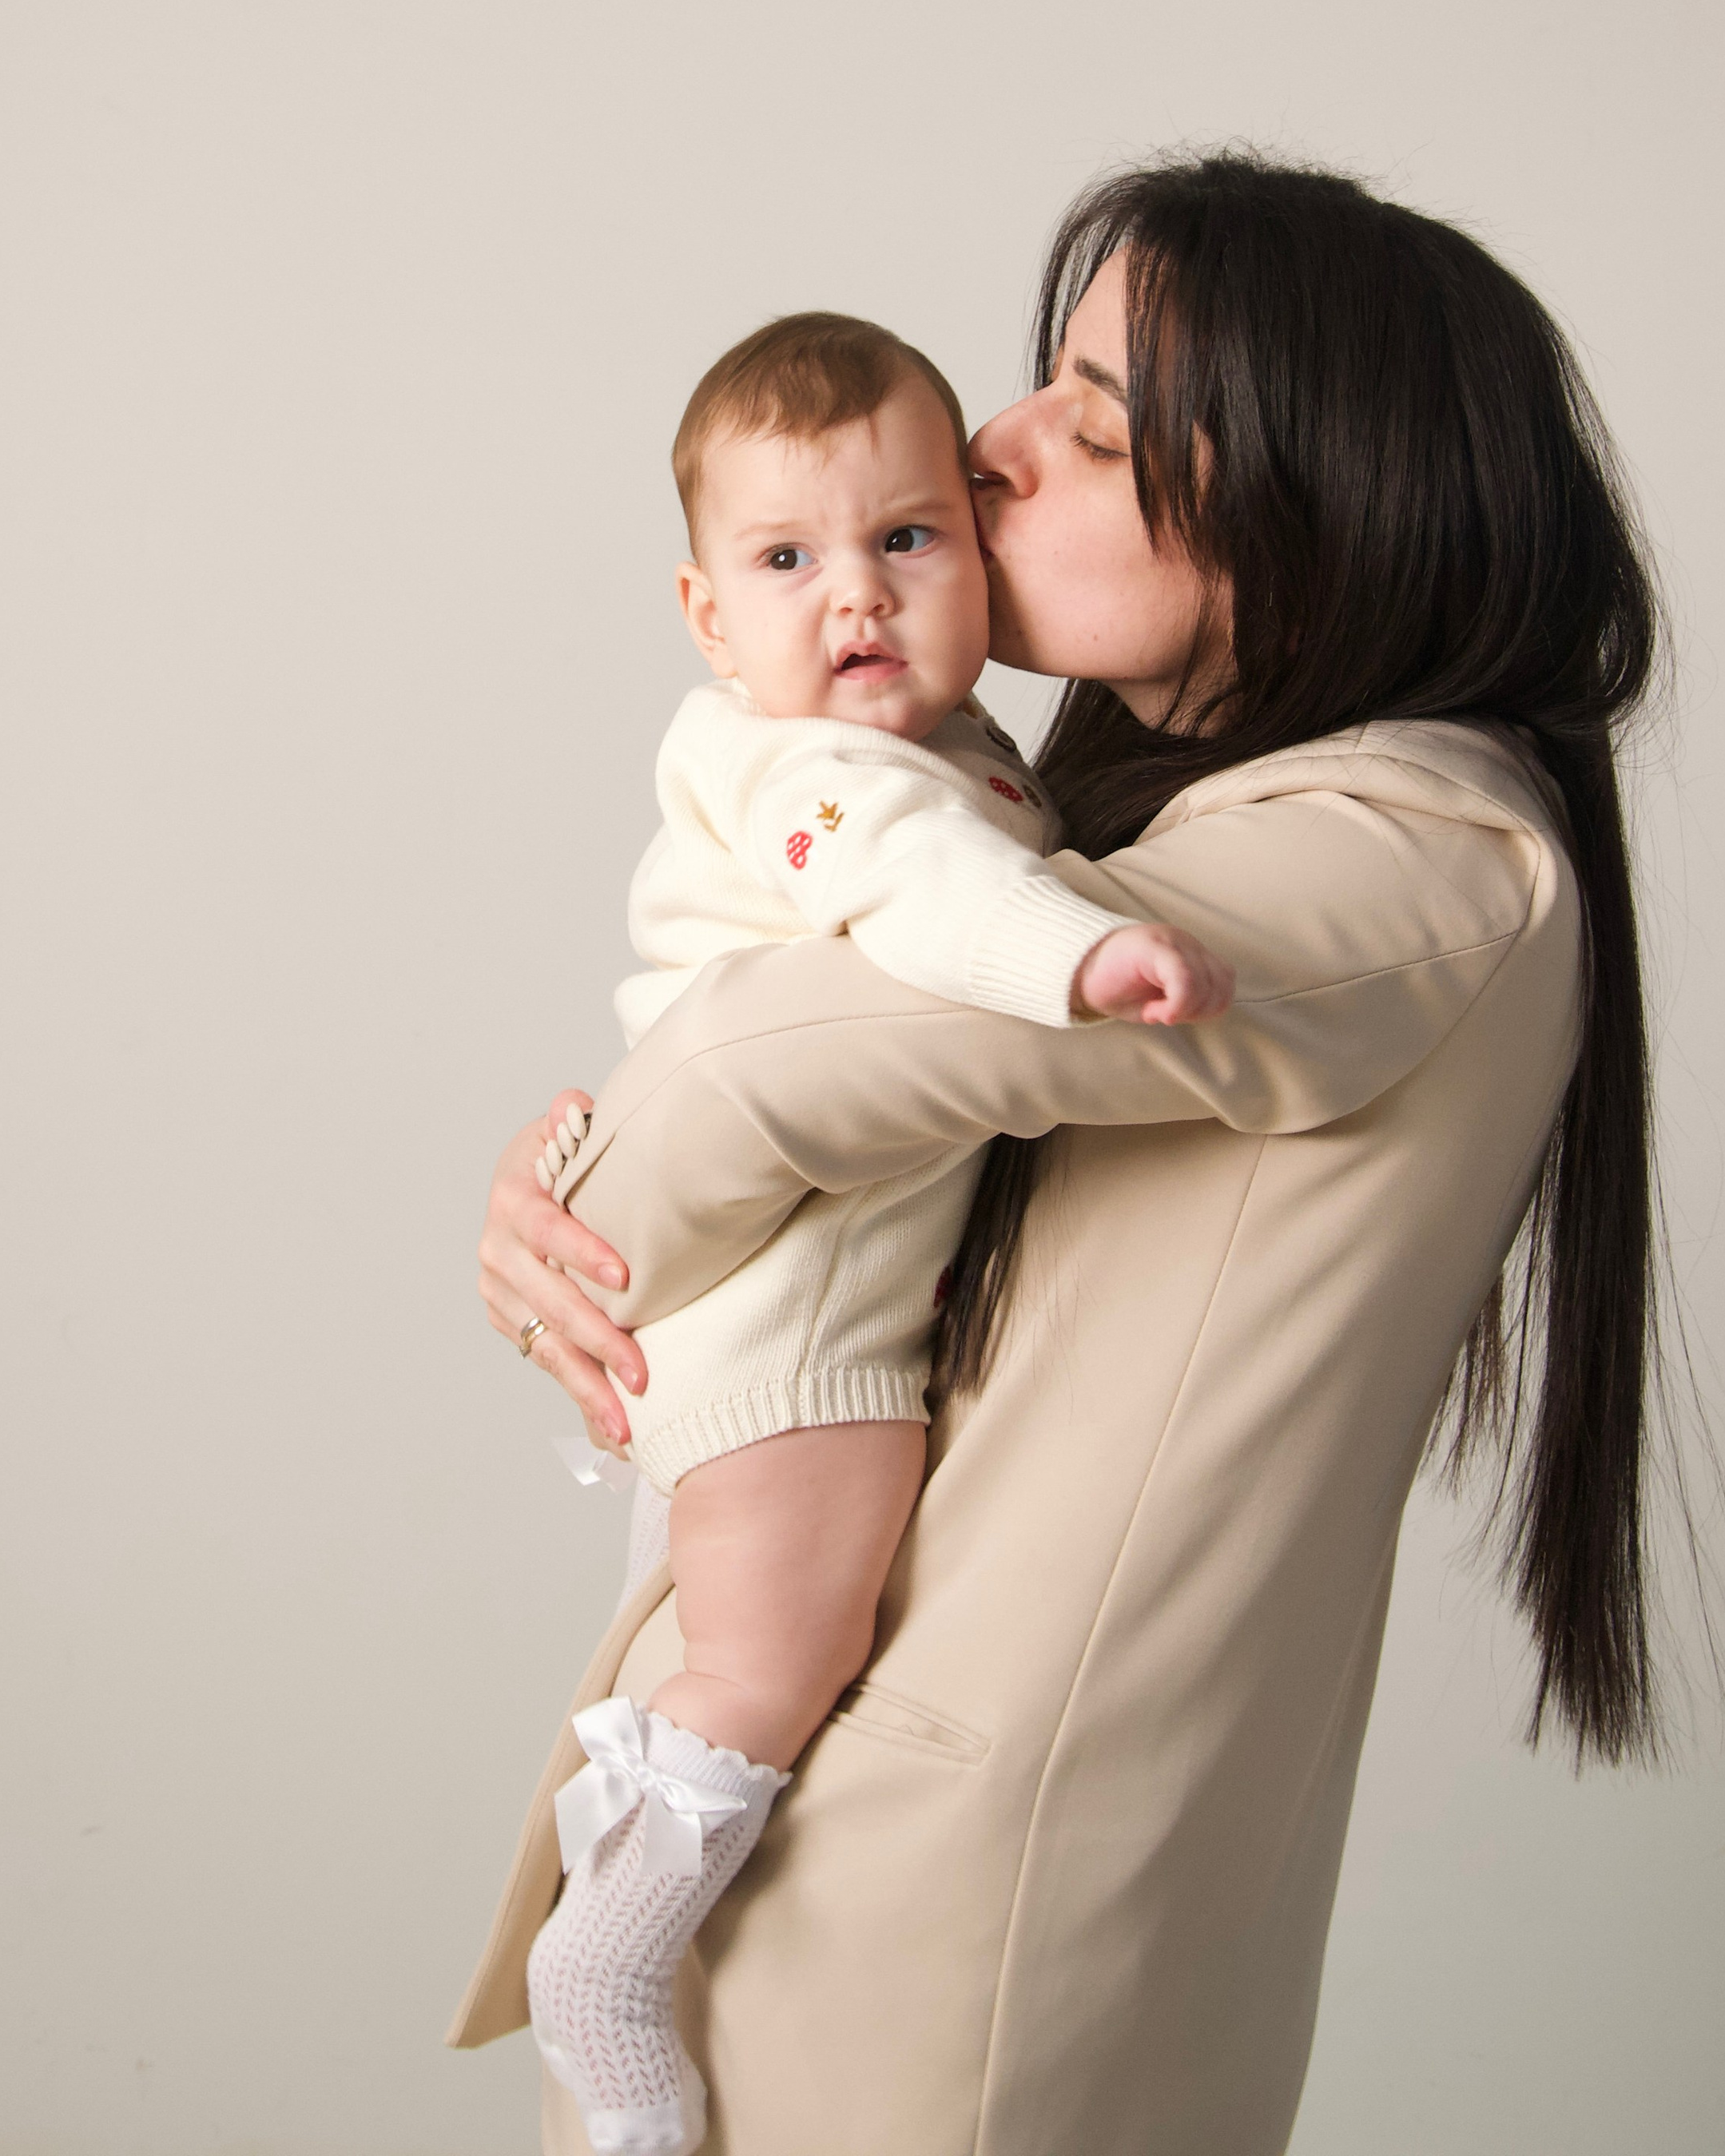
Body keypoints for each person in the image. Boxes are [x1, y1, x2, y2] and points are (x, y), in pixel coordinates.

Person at [454, 150, 1668, 2156]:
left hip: (954, 1909)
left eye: (1090, 428)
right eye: (1038, 390)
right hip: (884, 1848)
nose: (991, 448)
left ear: (1310, 523)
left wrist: (565, 1222)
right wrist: (590, 1173)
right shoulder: (1125, 814)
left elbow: (780, 1058)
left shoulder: (1413, 847)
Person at [526, 309, 1231, 2154]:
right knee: (773, 1658)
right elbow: (918, 897)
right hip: (786, 1327)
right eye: (786, 562)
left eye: (905, 540)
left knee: (730, 1631)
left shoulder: (959, 746)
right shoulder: (807, 775)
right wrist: (1083, 958)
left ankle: (632, 1847)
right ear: (705, 618)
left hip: (805, 1286)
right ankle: (600, 1966)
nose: (853, 597)